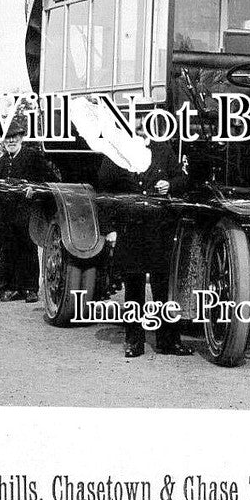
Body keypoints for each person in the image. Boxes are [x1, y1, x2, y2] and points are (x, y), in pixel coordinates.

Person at [97, 123, 193, 358]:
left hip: (159, 229)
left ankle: (168, 342)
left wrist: (170, 185)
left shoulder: (163, 150)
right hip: (131, 229)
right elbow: (104, 194)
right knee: (134, 287)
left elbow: (182, 178)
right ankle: (134, 342)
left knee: (163, 287)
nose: (139, 128)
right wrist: (109, 230)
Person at [0, 121, 61, 302]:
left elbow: (50, 180)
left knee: (27, 249)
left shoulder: (32, 156)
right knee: (9, 249)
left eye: (14, 137)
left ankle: (30, 288)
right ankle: (12, 287)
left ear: (21, 138)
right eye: (7, 138)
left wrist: (34, 189)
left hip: (26, 211)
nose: (11, 141)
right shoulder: (2, 161)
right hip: (6, 213)